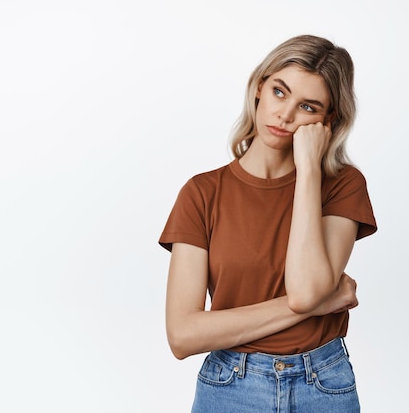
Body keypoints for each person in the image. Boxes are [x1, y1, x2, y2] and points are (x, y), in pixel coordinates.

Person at [158, 35, 377, 413]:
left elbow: (306, 290)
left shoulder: (342, 185)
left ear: (328, 121)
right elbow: (182, 335)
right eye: (280, 92)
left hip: (321, 383)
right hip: (230, 385)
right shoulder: (202, 193)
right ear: (259, 87)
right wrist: (318, 305)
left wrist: (308, 167)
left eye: (307, 106)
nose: (286, 115)